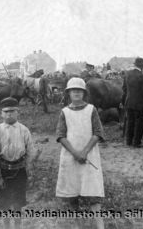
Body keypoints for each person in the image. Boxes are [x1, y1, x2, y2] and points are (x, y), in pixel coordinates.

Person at [56, 77, 105, 229]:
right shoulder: (64, 112)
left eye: (79, 90)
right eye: (73, 90)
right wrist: (75, 153)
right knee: (72, 190)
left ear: (84, 93)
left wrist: (84, 151)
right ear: (68, 93)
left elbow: (98, 132)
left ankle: (99, 224)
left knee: (92, 189)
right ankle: (78, 225)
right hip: (70, 156)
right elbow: (60, 135)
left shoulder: (91, 109)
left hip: (89, 155)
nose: (76, 93)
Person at [0, 97, 34, 229]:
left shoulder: (24, 130)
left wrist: (30, 172)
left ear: (18, 112)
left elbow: (30, 152)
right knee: (5, 200)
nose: (9, 114)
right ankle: (6, 225)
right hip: (4, 171)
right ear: (1, 113)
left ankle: (18, 225)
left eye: (12, 111)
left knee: (19, 200)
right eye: (6, 112)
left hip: (20, 170)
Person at [122, 57, 143, 147]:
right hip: (138, 103)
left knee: (130, 121)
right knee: (140, 122)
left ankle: (129, 141)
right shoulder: (142, 76)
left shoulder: (127, 74)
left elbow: (124, 88)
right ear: (142, 65)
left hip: (128, 101)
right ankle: (136, 142)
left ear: (135, 64)